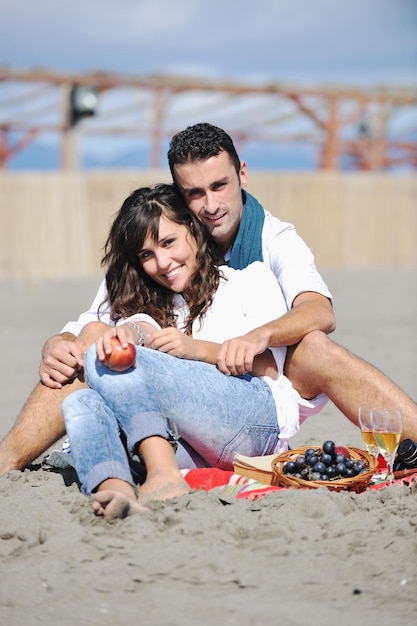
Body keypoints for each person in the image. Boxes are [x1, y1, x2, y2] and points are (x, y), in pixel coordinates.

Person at [1, 122, 416, 474]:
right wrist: (58, 344)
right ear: (180, 199)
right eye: (195, 193)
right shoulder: (152, 255)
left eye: (220, 185)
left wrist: (258, 336)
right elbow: (94, 323)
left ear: (243, 175)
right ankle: (8, 460)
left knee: (314, 347)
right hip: (188, 393)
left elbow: (319, 311)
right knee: (87, 346)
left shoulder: (270, 241)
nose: (211, 205)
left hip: (268, 387)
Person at [61, 182, 299, 518]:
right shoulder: (155, 303)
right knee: (80, 400)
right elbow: (140, 327)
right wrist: (127, 333)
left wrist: (194, 348)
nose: (162, 262)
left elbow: (271, 370)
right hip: (193, 442)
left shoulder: (248, 280)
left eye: (168, 242)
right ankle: (116, 488)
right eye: (147, 255)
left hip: (256, 424)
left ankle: (163, 474)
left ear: (193, 229)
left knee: (110, 363)